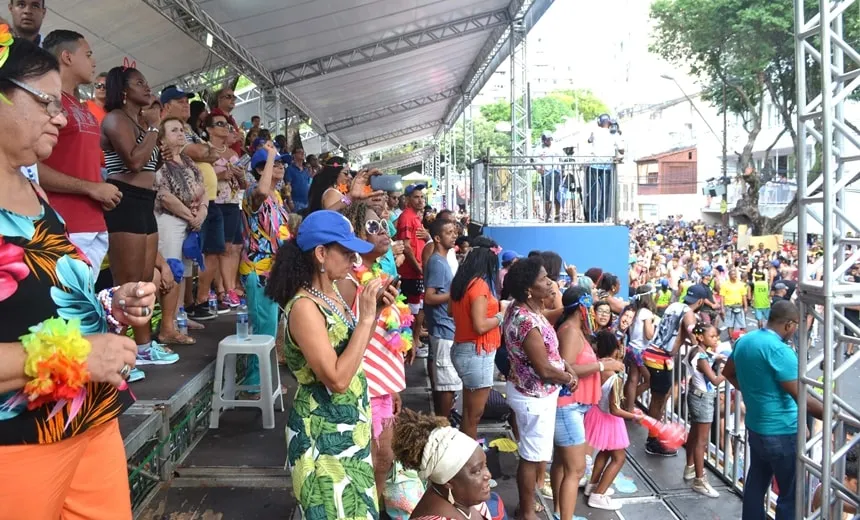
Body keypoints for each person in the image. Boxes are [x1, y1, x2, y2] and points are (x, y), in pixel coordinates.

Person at [0, 33, 157, 518]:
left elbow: (50, 297)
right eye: (46, 101)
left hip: (90, 420)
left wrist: (109, 303)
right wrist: (76, 357)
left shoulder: (33, 190)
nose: (62, 116)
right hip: (20, 443)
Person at [265, 210, 398, 519]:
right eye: (346, 252)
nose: (354, 260)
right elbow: (336, 379)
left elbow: (352, 353)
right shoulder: (304, 307)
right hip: (323, 433)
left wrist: (374, 312)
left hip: (350, 428)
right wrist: (366, 319)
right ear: (321, 253)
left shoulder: (332, 293)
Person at [101, 65, 177, 365]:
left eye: (147, 82)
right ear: (122, 89)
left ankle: (143, 349)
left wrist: (161, 158)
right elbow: (132, 162)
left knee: (145, 282)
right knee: (128, 283)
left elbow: (146, 167)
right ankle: (119, 355)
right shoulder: (116, 119)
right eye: (139, 83)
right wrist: (156, 127)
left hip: (145, 201)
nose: (147, 88)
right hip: (124, 200)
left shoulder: (141, 124)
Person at [723, 300, 823, 520]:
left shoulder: (745, 340)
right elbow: (802, 397)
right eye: (796, 325)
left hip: (757, 428)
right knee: (791, 494)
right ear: (789, 325)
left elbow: (728, 372)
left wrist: (752, 394)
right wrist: (831, 414)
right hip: (782, 432)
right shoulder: (780, 351)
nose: (796, 329)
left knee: (756, 485)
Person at [339, 202, 409, 509]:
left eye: (383, 224)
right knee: (369, 461)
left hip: (383, 387)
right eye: (372, 226)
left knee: (384, 458)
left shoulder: (379, 274)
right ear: (353, 235)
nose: (383, 230)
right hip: (361, 385)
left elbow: (387, 336)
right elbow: (343, 339)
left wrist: (392, 386)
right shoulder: (348, 281)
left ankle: (375, 510)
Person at [501, 257, 577, 520]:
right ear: (528, 290)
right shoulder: (527, 322)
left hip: (528, 392)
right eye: (544, 279)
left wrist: (565, 364)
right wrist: (569, 378)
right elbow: (543, 369)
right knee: (531, 457)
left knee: (532, 454)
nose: (550, 283)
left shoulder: (524, 310)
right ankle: (526, 512)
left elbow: (548, 353)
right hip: (534, 397)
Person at [39, 31, 119, 278]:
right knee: (67, 309)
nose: (93, 62)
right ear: (67, 57)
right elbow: (30, 168)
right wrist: (90, 188)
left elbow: (79, 161)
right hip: (64, 224)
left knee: (85, 305)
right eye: (88, 54)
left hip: (93, 222)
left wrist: (99, 187)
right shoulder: (47, 102)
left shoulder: (79, 105)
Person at [551, 285, 623, 520]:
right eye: (590, 305)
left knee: (563, 464)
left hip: (573, 406)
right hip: (568, 406)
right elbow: (569, 368)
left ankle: (560, 512)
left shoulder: (575, 328)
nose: (593, 310)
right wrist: (604, 365)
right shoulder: (571, 330)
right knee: (576, 469)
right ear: (581, 306)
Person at [240, 143, 290, 390]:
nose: (281, 167)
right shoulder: (252, 191)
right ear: (261, 169)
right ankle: (253, 385)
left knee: (269, 328)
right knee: (263, 329)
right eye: (275, 164)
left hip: (273, 270)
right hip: (257, 270)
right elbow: (261, 190)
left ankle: (265, 382)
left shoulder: (278, 196)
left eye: (281, 163)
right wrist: (270, 154)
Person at [152, 117, 206, 346]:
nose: (181, 133)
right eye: (174, 130)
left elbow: (202, 189)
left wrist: (202, 212)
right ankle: (167, 324)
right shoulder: (160, 162)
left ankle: (179, 315)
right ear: (162, 138)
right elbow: (163, 195)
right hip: (170, 220)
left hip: (190, 221)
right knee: (171, 270)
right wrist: (190, 215)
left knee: (184, 270)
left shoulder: (187, 160)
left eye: (182, 129)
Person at [392, 409, 493, 520]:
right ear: (448, 481)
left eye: (485, 465)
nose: (488, 475)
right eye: (477, 471)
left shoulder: (470, 499)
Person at [583, 330, 643, 511]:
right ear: (616, 350)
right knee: (619, 457)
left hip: (596, 413)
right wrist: (634, 416)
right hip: (609, 418)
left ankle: (592, 485)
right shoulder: (614, 376)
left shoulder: (597, 366)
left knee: (605, 451)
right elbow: (615, 409)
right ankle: (598, 495)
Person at [450, 236, 502, 440]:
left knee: (468, 412)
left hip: (463, 348)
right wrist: (500, 316)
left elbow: (449, 311)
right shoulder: (479, 286)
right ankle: (469, 461)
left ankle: (465, 456)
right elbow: (480, 326)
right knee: (474, 415)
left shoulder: (461, 282)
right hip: (476, 353)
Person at [643, 285, 705, 456]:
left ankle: (656, 435)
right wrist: (701, 348)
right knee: (658, 400)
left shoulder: (674, 305)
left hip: (654, 353)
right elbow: (695, 335)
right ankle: (652, 441)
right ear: (700, 301)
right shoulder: (689, 313)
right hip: (660, 357)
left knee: (663, 396)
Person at [424, 217, 462, 418]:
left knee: (446, 380)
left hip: (444, 326)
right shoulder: (438, 263)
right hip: (443, 327)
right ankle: (444, 423)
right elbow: (429, 297)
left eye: (454, 232)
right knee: (446, 382)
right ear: (437, 238)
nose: (454, 235)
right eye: (449, 232)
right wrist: (455, 293)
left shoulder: (441, 261)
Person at [683, 322, 724, 498]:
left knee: (694, 434)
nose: (716, 339)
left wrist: (715, 358)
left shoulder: (695, 350)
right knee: (701, 441)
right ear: (701, 337)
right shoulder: (701, 357)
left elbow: (704, 361)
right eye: (712, 336)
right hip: (703, 399)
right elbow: (715, 380)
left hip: (695, 395)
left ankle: (690, 468)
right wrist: (729, 370)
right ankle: (700, 480)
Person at [624, 285, 656, 412]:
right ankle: (626, 400)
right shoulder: (646, 313)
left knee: (633, 379)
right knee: (650, 381)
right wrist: (653, 325)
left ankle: (629, 407)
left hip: (631, 348)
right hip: (640, 351)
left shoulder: (635, 311)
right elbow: (649, 335)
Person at [719, 268, 748, 338]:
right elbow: (722, 297)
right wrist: (722, 308)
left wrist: (746, 307)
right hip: (729, 307)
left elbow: (744, 296)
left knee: (742, 325)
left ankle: (744, 338)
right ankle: (731, 338)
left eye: (735, 274)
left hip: (739, 307)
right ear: (729, 276)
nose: (735, 276)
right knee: (730, 325)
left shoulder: (741, 284)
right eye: (733, 274)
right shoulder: (724, 285)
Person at [287, 147, 311, 211]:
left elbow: (308, 184)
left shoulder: (306, 169)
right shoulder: (290, 169)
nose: (303, 154)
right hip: (296, 202)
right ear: (293, 155)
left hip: (307, 202)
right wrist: (290, 201)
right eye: (300, 152)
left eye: (303, 152)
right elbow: (287, 186)